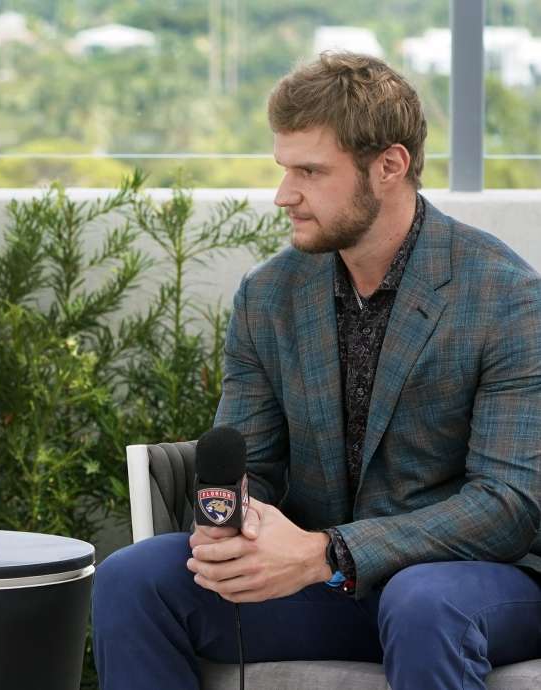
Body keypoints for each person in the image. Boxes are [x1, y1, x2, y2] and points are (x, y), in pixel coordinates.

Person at [93, 52, 541, 689]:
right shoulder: (268, 296)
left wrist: (329, 550)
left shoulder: (506, 297)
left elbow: (509, 507)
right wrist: (240, 523)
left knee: (422, 602)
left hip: (473, 583)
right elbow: (257, 465)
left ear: (390, 166)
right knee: (135, 577)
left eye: (310, 171)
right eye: (283, 169)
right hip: (321, 583)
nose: (285, 196)